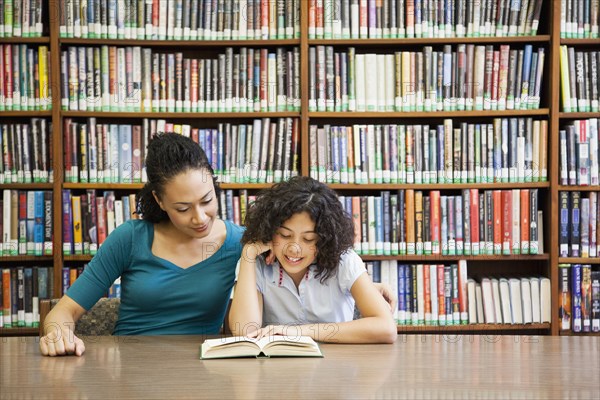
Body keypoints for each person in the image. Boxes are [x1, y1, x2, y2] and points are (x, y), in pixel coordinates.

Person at [40, 133, 244, 356]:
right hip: (132, 372)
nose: (200, 218)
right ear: (160, 200)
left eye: (207, 201)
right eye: (183, 209)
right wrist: (59, 334)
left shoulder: (238, 242)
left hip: (202, 374)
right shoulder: (130, 238)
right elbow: (63, 312)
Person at [228, 176, 398, 344]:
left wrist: (297, 332)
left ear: (324, 239)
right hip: (278, 370)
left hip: (336, 367)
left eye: (308, 239)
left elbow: (386, 328)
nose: (294, 248)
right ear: (270, 230)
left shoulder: (344, 261)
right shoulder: (256, 263)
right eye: (285, 235)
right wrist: (248, 254)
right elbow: (245, 332)